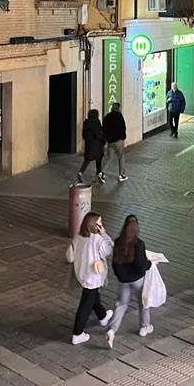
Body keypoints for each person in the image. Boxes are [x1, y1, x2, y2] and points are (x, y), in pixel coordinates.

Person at [106, 215, 154, 347]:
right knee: (143, 302)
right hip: (138, 279)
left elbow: (115, 264)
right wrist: (151, 264)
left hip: (123, 281)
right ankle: (144, 327)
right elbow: (141, 264)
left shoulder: (118, 242)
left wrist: (120, 276)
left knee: (121, 305)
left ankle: (112, 330)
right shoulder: (139, 244)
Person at [66, 212, 114, 344]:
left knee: (93, 296)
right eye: (100, 223)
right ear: (94, 225)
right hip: (94, 275)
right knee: (85, 305)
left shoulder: (78, 236)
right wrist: (104, 234)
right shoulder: (98, 240)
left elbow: (69, 256)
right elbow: (109, 250)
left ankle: (102, 316)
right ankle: (78, 333)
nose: (102, 225)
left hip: (82, 274)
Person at [102, 102, 128, 182]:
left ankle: (102, 172)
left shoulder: (107, 116)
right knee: (121, 157)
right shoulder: (119, 116)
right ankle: (121, 175)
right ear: (118, 108)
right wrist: (123, 137)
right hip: (118, 140)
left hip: (110, 141)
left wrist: (106, 138)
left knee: (109, 158)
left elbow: (104, 128)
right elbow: (123, 127)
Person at [79, 109, 105, 184]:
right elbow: (98, 134)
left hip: (88, 144)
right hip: (97, 145)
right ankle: (98, 175)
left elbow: (84, 136)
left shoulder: (86, 123)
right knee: (99, 160)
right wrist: (103, 140)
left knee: (87, 160)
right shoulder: (96, 122)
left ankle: (80, 172)